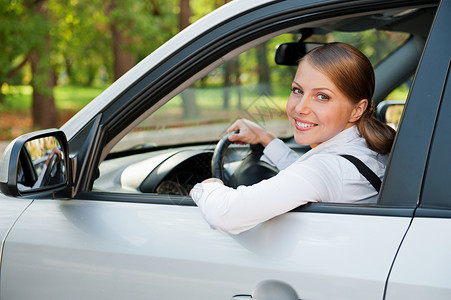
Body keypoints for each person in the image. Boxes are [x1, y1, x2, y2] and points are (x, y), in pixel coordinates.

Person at [190, 42, 396, 234]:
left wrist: (206, 187)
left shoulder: (327, 170)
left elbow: (225, 213)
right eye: (298, 90)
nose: (300, 108)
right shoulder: (368, 147)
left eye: (322, 96)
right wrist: (266, 138)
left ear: (356, 110)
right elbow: (310, 175)